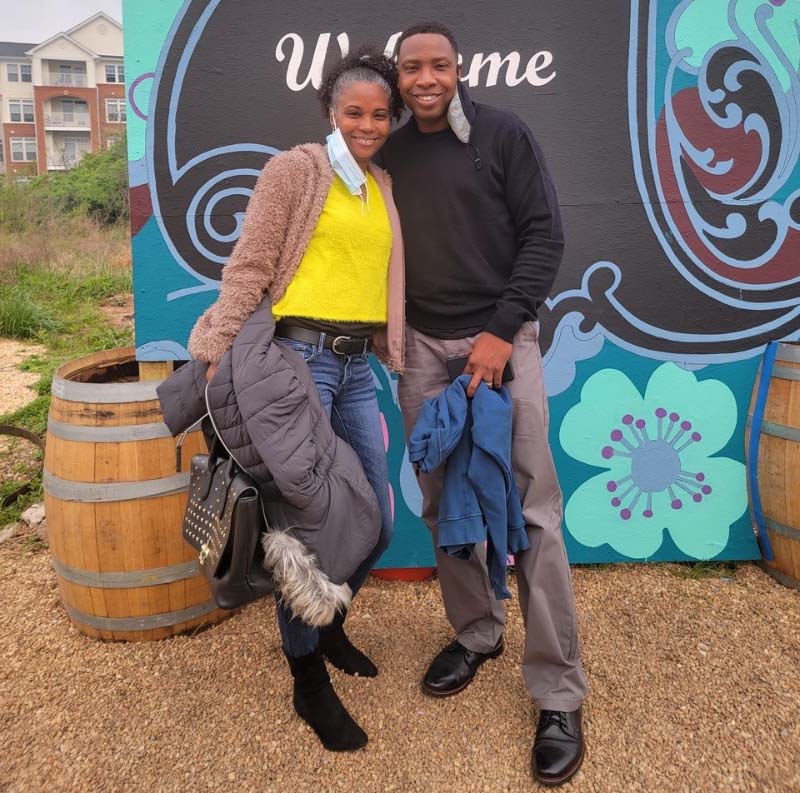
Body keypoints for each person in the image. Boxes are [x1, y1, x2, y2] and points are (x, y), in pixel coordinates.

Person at [376, 23, 589, 786]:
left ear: (458, 69)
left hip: (500, 342)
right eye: (412, 67)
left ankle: (559, 692)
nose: (426, 78)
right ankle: (476, 631)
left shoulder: (503, 134)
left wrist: (500, 334)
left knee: (532, 511)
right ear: (398, 77)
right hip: (423, 351)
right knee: (444, 502)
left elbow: (544, 236)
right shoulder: (391, 153)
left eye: (438, 64)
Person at [188, 48, 406, 752]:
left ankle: (327, 621)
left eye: (380, 114)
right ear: (331, 112)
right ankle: (307, 678)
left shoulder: (380, 183)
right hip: (297, 363)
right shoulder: (296, 170)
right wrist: (217, 344)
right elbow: (251, 262)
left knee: (377, 518)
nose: (367, 125)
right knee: (308, 529)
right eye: (354, 112)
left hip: (355, 367)